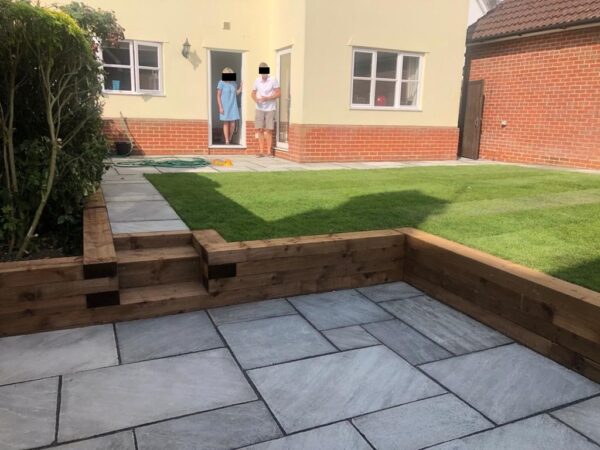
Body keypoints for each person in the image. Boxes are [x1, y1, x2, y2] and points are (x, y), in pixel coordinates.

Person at [252, 62, 280, 157]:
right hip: (259, 108)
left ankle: (268, 152)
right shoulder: (257, 80)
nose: (263, 74)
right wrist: (256, 100)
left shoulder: (273, 80)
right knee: (259, 129)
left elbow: (279, 93)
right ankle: (261, 152)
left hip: (270, 108)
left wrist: (267, 98)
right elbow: (253, 93)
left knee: (268, 130)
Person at [216, 67, 242, 145]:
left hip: (233, 105)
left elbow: (236, 93)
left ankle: (230, 137)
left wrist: (241, 87)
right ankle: (227, 140)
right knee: (226, 123)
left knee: (233, 124)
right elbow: (218, 95)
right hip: (225, 105)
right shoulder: (221, 83)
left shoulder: (234, 83)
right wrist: (220, 107)